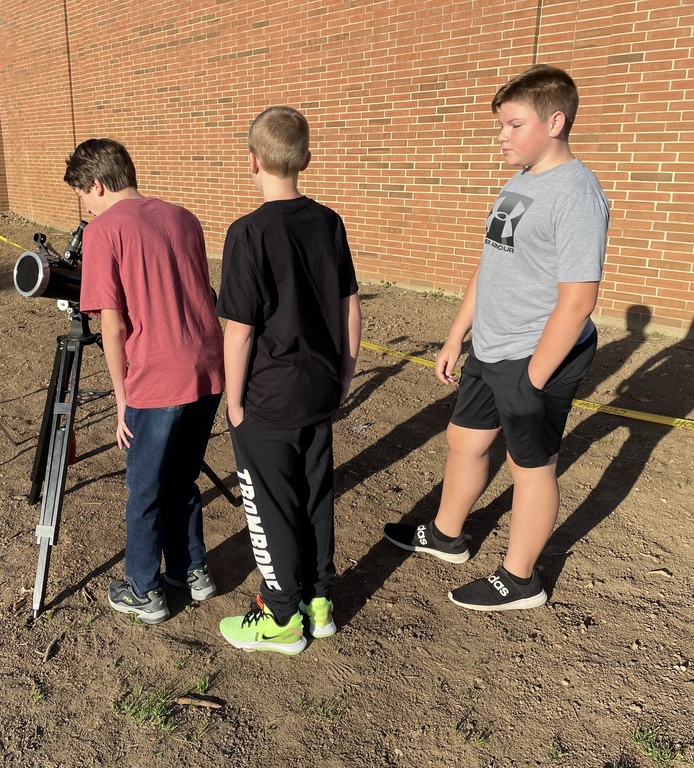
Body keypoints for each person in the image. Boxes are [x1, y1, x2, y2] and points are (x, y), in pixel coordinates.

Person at [383, 64, 609, 610]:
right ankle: (445, 535)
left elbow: (578, 300)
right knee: (464, 438)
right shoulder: (520, 181)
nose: (501, 137)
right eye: (500, 126)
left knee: (530, 466)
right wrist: (457, 334)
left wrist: (533, 378)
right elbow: (492, 263)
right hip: (490, 344)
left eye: (513, 125)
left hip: (536, 353)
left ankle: (521, 578)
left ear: (555, 121)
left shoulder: (576, 194)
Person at [216, 106, 362, 654]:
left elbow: (239, 331)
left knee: (270, 502)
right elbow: (351, 307)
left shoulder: (247, 233)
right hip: (320, 389)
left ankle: (281, 617)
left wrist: (234, 403)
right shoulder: (329, 222)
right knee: (314, 493)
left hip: (268, 399)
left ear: (252, 162)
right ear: (306, 158)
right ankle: (318, 602)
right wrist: (345, 376)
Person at [64, 138, 225, 624]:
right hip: (208, 367)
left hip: (157, 377)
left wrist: (121, 399)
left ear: (97, 183)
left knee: (146, 487)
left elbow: (111, 325)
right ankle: (191, 570)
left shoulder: (102, 232)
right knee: (182, 476)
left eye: (83, 195)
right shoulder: (183, 216)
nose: (86, 207)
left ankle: (142, 589)